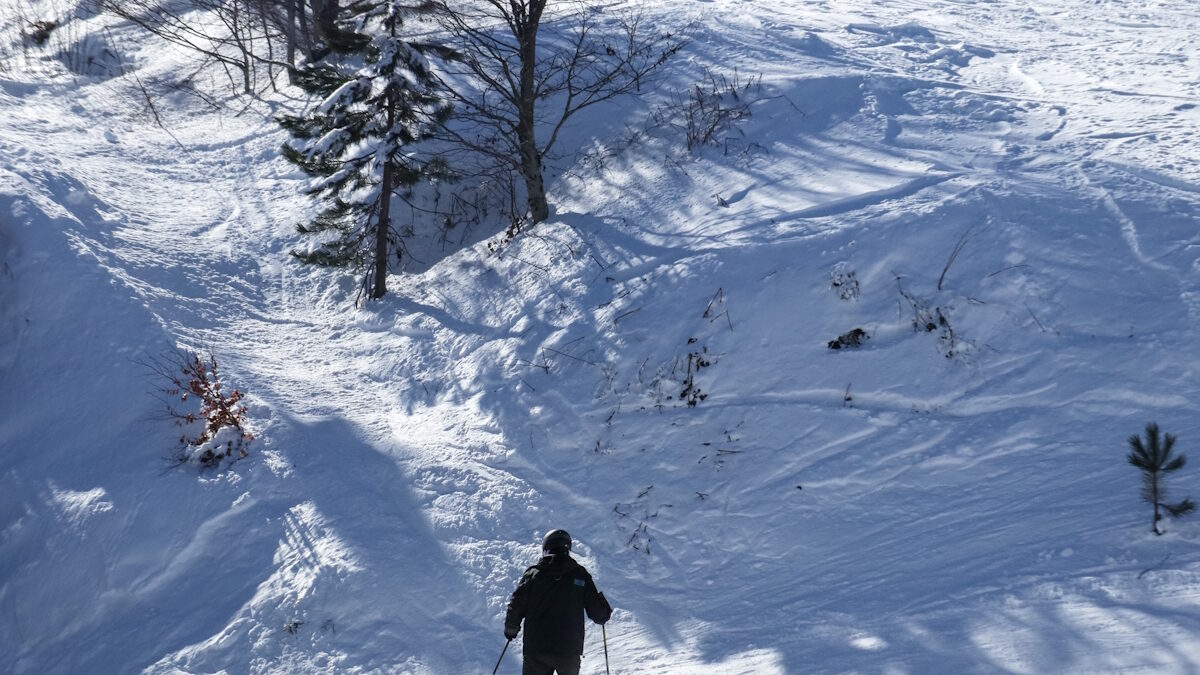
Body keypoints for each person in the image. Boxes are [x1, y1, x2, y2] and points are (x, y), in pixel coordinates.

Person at [504, 529, 612, 675]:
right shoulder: (580, 574)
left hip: (537, 649)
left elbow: (517, 603)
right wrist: (603, 612)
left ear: (546, 547)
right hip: (569, 650)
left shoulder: (533, 574)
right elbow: (598, 614)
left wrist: (511, 628)